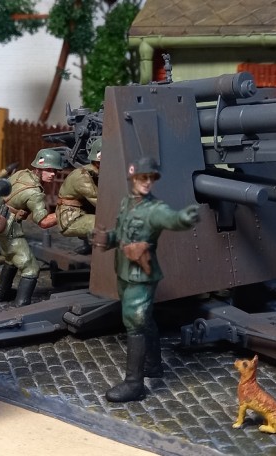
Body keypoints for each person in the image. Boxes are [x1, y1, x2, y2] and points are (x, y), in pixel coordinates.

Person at [92, 156, 200, 402]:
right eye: (143, 177)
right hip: (123, 269)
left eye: (151, 178)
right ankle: (153, 365)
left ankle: (134, 384)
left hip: (141, 275)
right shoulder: (127, 203)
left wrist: (185, 217)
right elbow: (122, 233)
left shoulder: (155, 209)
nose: (147, 182)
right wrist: (107, 239)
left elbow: (172, 218)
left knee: (135, 323)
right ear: (133, 178)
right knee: (143, 318)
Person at [0, 148, 64, 307]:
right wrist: (63, 213)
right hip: (10, 228)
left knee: (11, 258)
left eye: (55, 171)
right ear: (38, 168)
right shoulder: (35, 193)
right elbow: (43, 222)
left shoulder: (21, 174)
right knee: (31, 268)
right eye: (49, 170)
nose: (53, 174)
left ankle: (1, 294)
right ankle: (22, 303)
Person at [56, 136, 101, 254]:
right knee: (103, 224)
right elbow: (99, 202)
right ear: (98, 162)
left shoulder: (91, 173)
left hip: (79, 213)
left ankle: (90, 246)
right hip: (70, 220)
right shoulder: (83, 176)